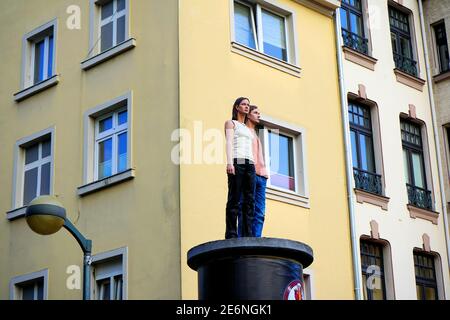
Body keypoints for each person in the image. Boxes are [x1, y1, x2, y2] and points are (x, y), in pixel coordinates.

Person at [224, 97, 256, 239]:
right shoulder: (231, 123)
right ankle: (231, 233)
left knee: (249, 201)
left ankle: (248, 234)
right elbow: (229, 142)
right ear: (237, 107)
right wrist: (229, 162)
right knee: (234, 198)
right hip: (237, 161)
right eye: (243, 104)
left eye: (248, 105)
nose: (246, 107)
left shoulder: (248, 128)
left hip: (250, 164)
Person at [238, 105, 268, 237]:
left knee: (260, 213)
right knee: (245, 209)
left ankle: (256, 241)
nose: (258, 115)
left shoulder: (256, 133)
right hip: (249, 175)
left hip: (261, 176)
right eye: (255, 112)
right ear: (248, 115)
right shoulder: (243, 132)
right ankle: (243, 241)